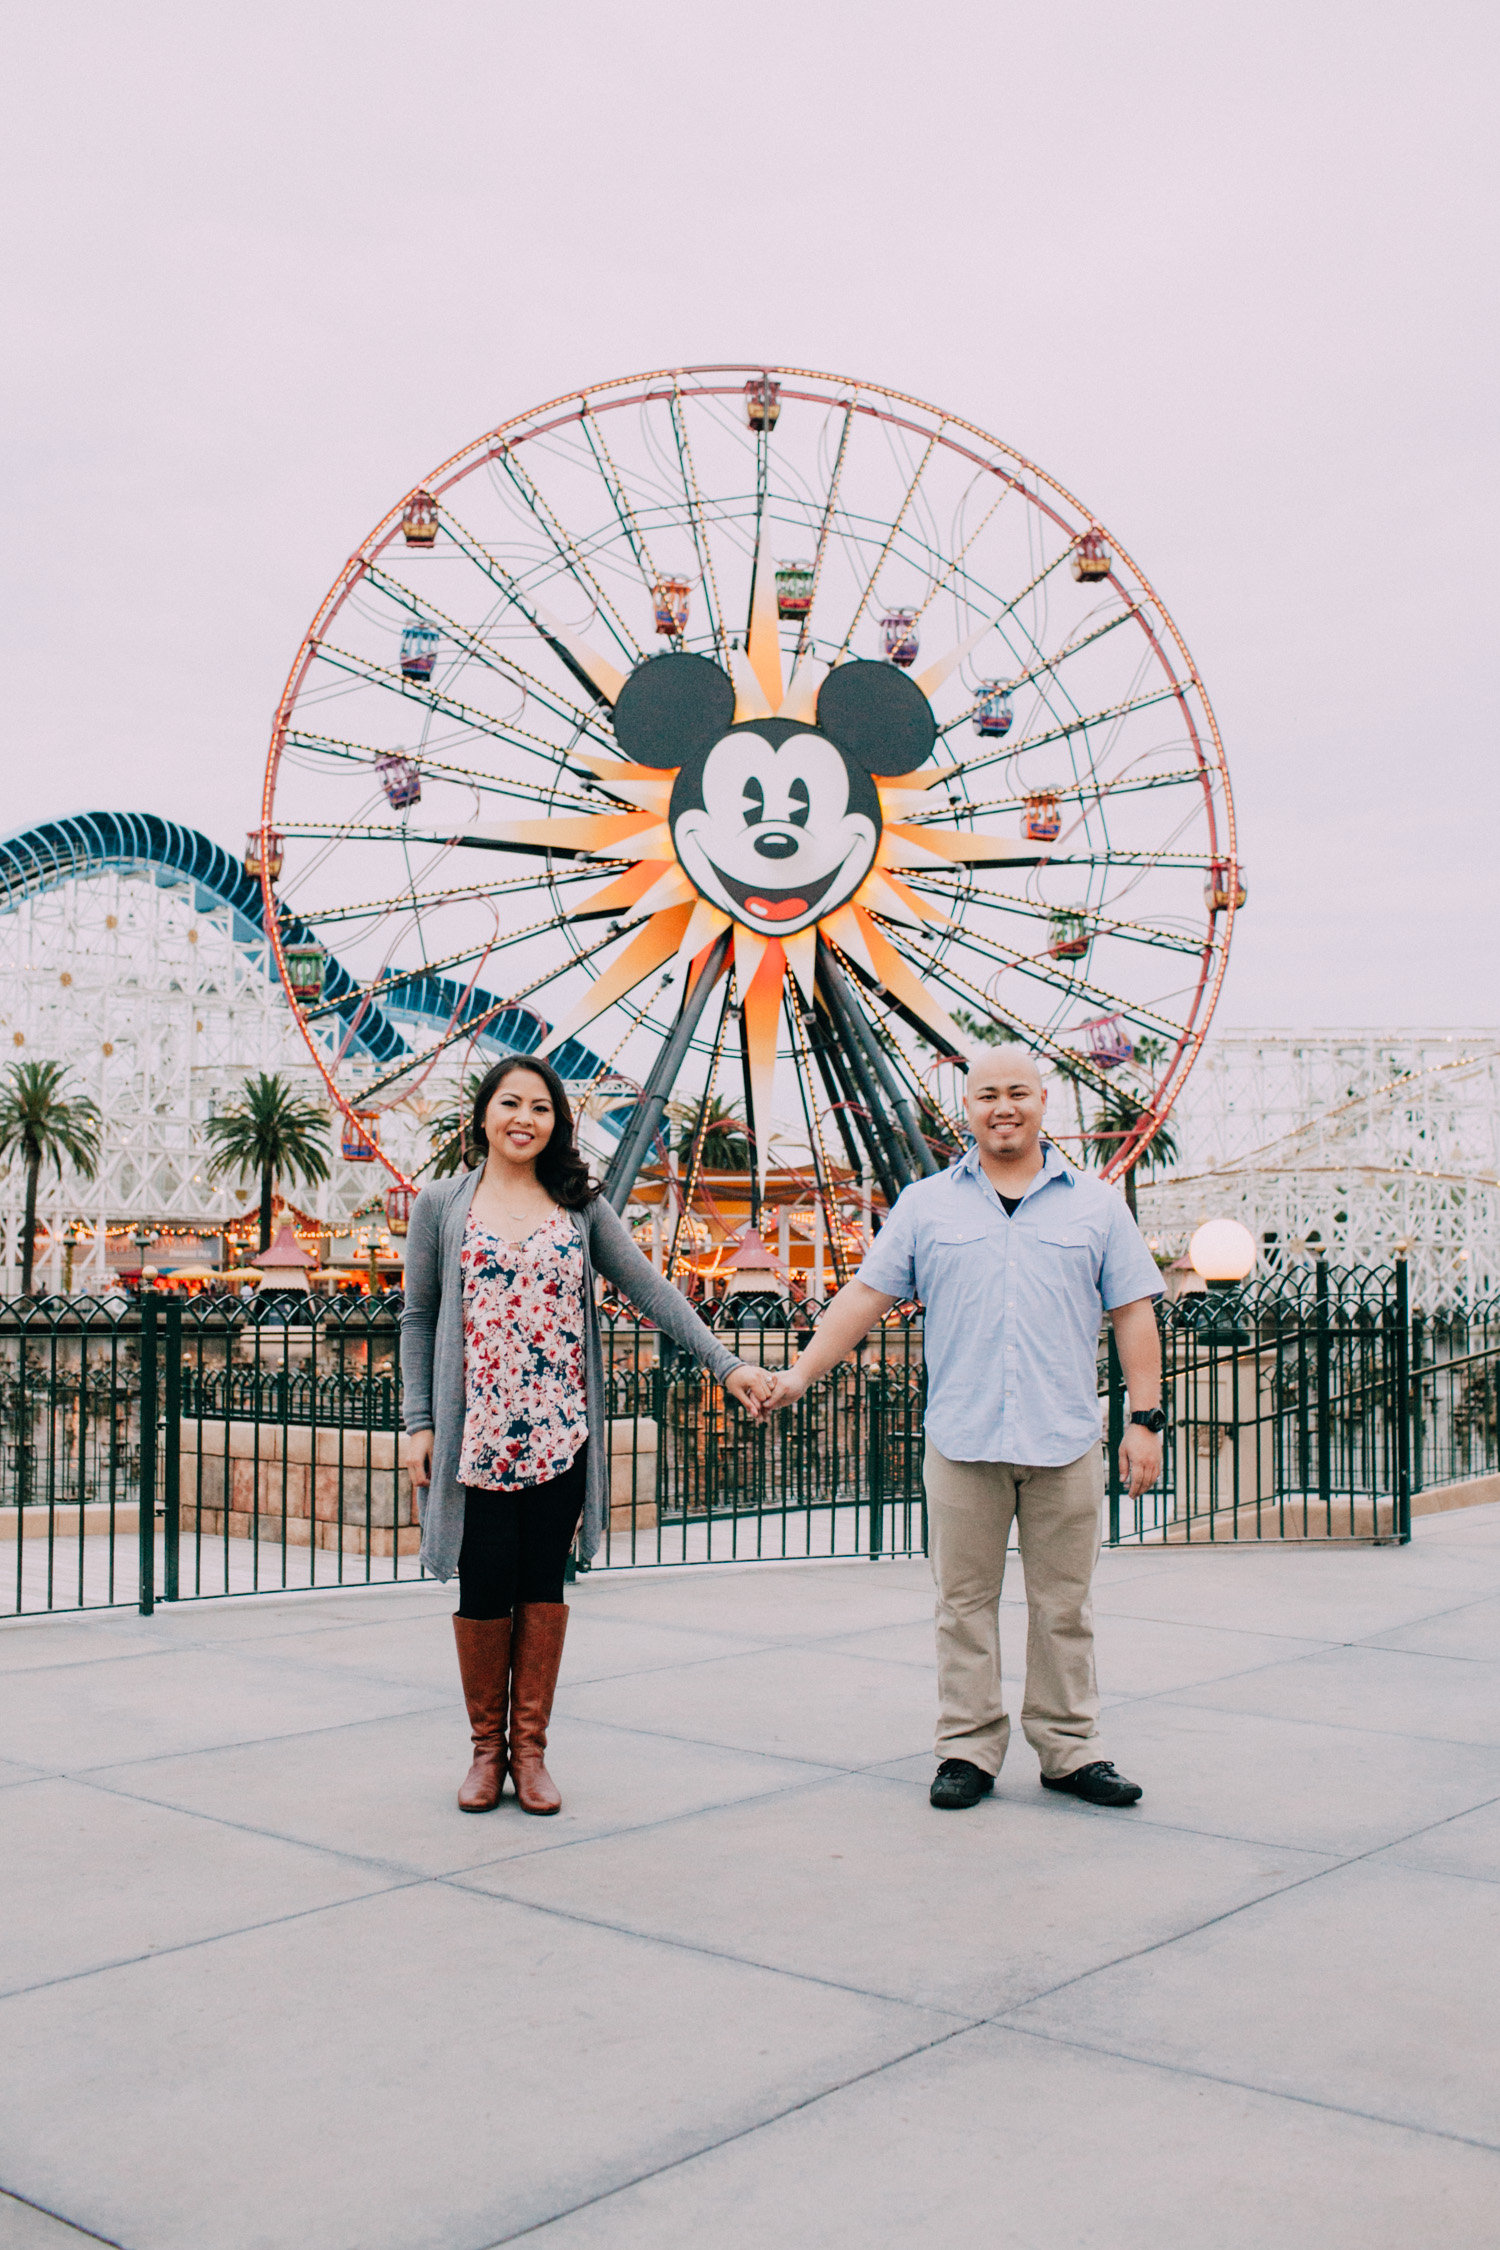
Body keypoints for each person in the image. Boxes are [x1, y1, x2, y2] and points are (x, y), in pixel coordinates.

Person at [764, 1045, 1165, 1812]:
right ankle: (967, 1749)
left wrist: (1143, 1420)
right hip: (962, 1436)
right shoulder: (925, 1205)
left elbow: (1132, 1313)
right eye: (987, 1095)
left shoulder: (1096, 1204)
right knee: (962, 1603)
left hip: (1065, 1436)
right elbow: (864, 1297)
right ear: (967, 1109)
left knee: (1065, 1606)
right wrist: (799, 1374)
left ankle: (1071, 1749)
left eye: (1018, 1092)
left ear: (1044, 1103)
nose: (1003, 1107)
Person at [402, 1054, 771, 1816]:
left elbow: (650, 1288)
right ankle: (485, 1752)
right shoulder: (440, 1204)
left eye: (540, 1108)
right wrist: (417, 1421)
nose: (524, 1119)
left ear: (558, 1123)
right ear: (482, 1115)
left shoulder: (579, 1205)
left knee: (541, 1584)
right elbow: (418, 1316)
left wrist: (726, 1365)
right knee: (482, 1589)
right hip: (475, 1435)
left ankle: (530, 1753)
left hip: (558, 1431)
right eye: (510, 1104)